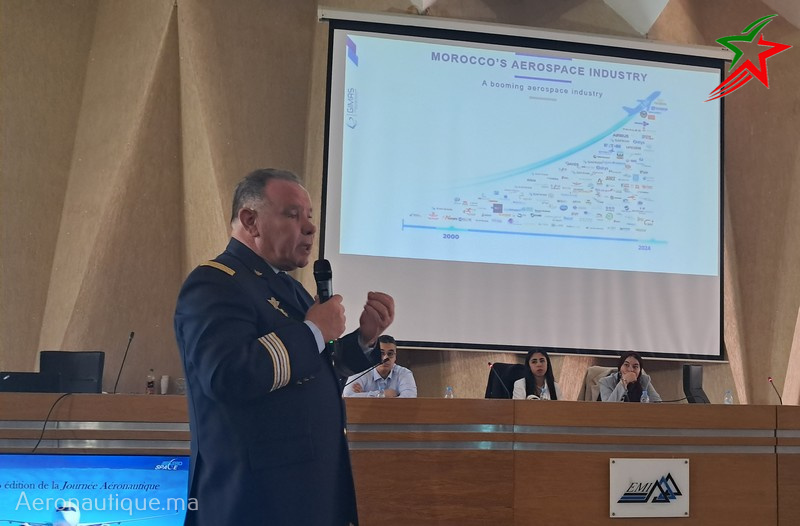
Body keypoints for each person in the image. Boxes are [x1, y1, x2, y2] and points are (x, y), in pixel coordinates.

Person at [174, 168, 395, 526]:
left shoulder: (289, 289)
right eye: (293, 215)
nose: (309, 228)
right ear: (251, 221)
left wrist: (364, 338)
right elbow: (227, 375)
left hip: (305, 494)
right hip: (255, 501)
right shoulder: (215, 283)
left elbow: (318, 371)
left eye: (309, 216)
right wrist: (313, 330)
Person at [342, 335, 417, 398]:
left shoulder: (404, 373)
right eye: (381, 353)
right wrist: (382, 394)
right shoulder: (360, 371)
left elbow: (409, 399)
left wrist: (364, 395)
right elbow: (348, 395)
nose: (385, 358)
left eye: (390, 354)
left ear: (395, 357)